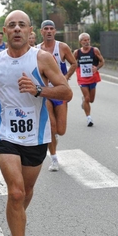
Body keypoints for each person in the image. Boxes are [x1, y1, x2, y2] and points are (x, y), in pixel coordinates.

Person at [0, 10, 72, 236]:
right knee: (16, 193)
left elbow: (66, 92)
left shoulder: (42, 59)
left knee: (26, 192)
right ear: (5, 31)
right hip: (6, 134)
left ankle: (14, 217)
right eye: (11, 25)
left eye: (22, 25)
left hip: (36, 136)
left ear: (31, 32)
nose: (17, 29)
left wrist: (39, 89)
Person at [36, 20, 77, 172]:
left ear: (55, 31)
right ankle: (53, 158)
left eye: (51, 29)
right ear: (41, 32)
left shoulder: (62, 47)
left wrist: (65, 78)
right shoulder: (36, 50)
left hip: (59, 93)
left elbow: (74, 63)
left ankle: (54, 137)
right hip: (45, 93)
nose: (48, 31)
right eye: (45, 29)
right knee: (51, 127)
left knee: (61, 130)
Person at [73, 32, 105, 127]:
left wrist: (97, 68)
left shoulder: (95, 50)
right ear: (80, 42)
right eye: (84, 40)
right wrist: (73, 71)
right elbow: (72, 63)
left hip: (92, 77)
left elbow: (102, 61)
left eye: (88, 40)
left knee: (91, 100)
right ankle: (89, 118)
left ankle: (84, 101)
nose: (87, 42)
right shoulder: (77, 52)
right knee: (87, 98)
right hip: (82, 78)